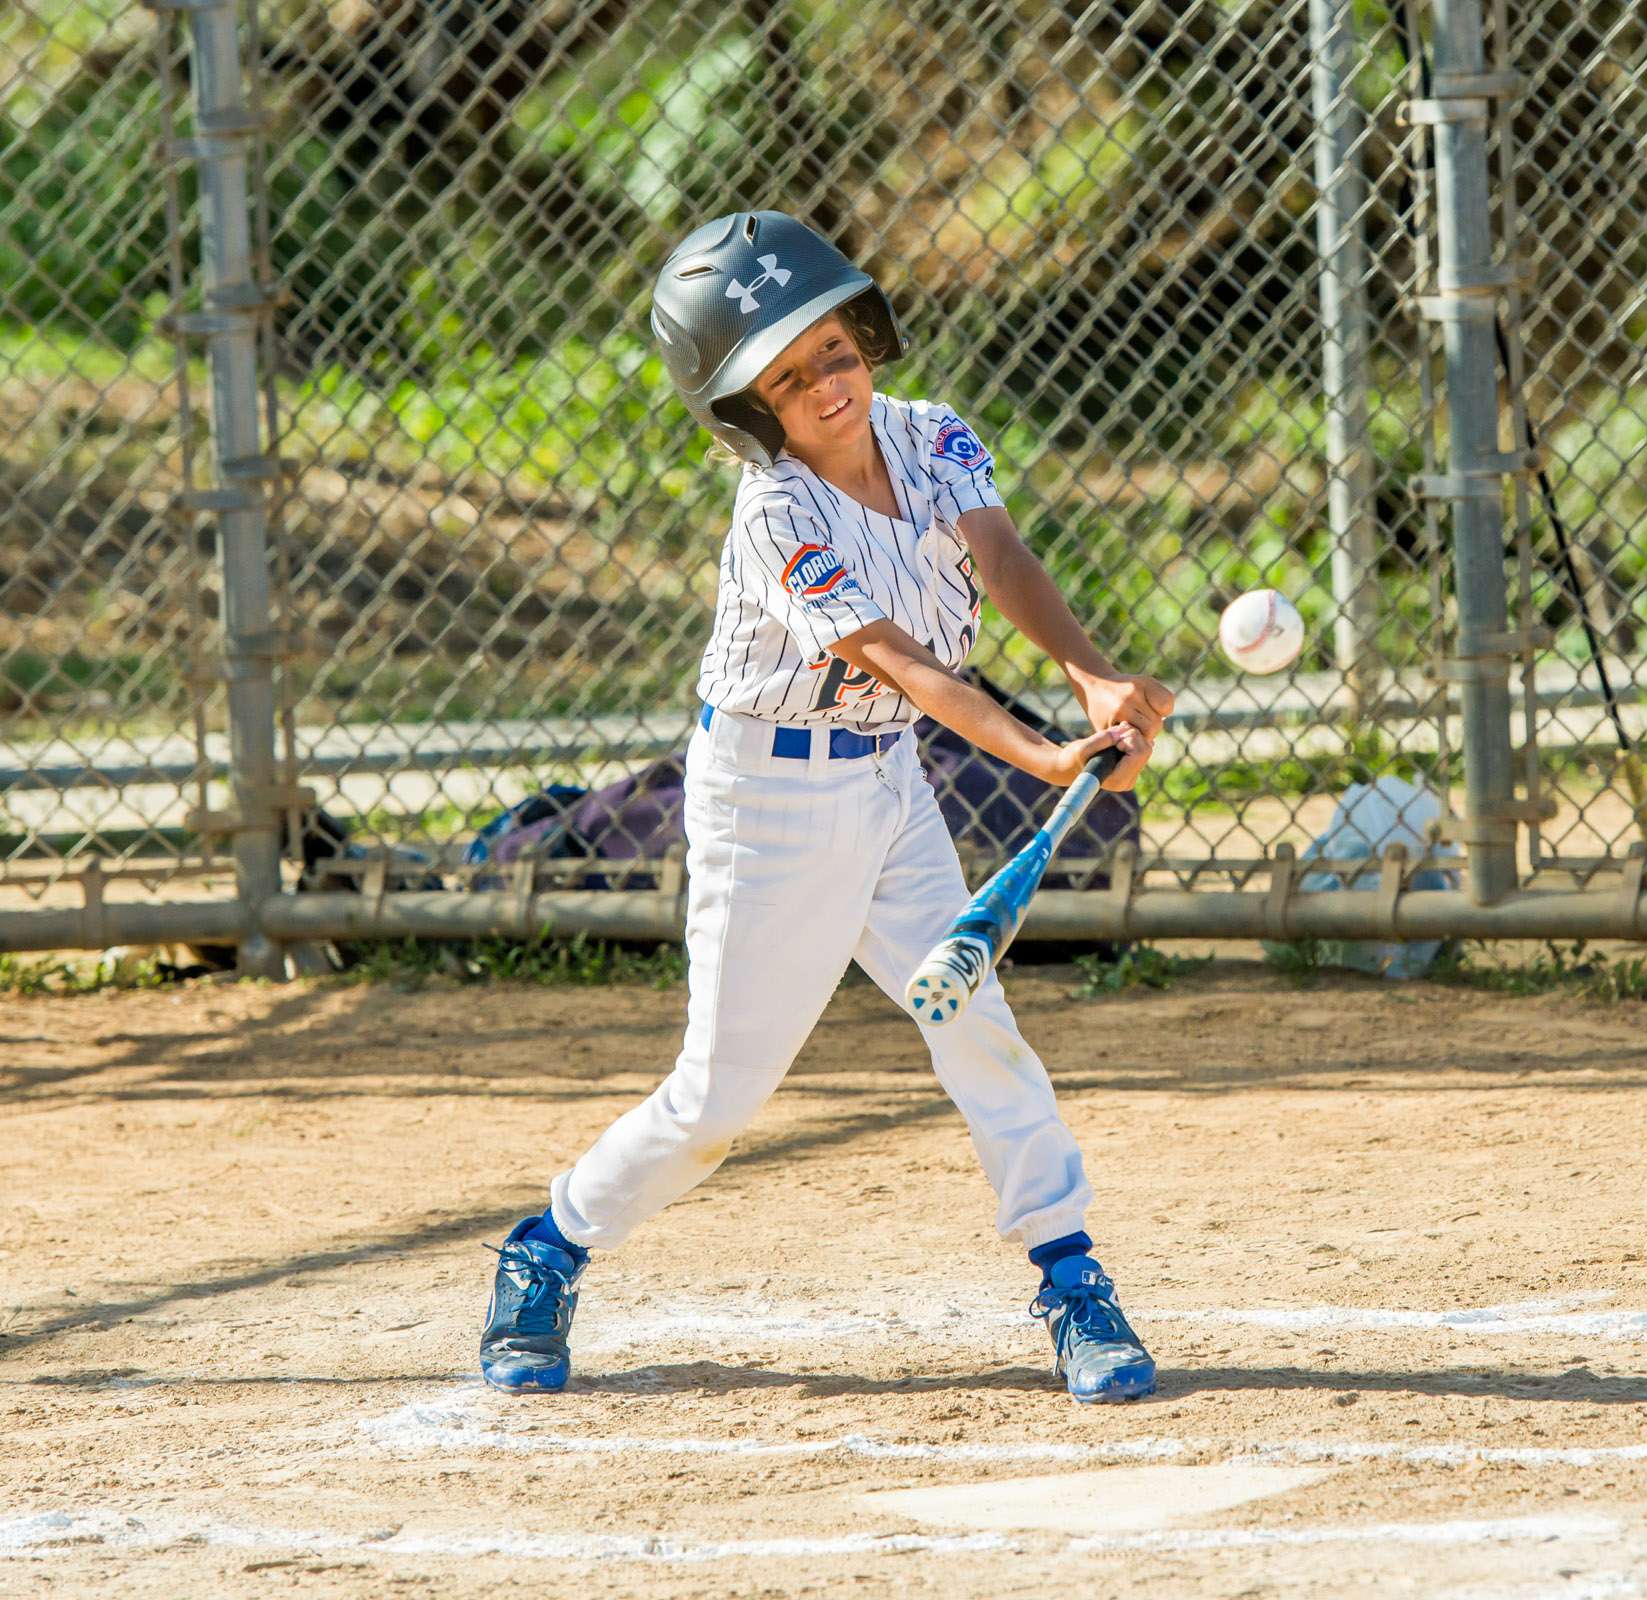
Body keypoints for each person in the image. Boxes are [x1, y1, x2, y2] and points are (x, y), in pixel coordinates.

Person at [476, 211, 1178, 1403]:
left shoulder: (934, 434)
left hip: (888, 781)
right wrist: (1043, 757)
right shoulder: (777, 516)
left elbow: (999, 559)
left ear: (869, 337)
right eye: (788, 378)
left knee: (978, 1029)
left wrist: (1089, 675)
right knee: (718, 1099)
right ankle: (546, 1248)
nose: (826, 385)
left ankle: (1071, 1278)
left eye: (834, 351)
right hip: (769, 802)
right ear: (751, 408)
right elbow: (909, 663)